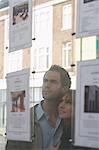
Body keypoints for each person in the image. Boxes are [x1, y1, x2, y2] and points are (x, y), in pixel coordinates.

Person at [6, 64, 71, 150]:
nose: (47, 85)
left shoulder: (68, 120)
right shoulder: (25, 119)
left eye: (53, 82)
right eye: (45, 81)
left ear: (64, 88)